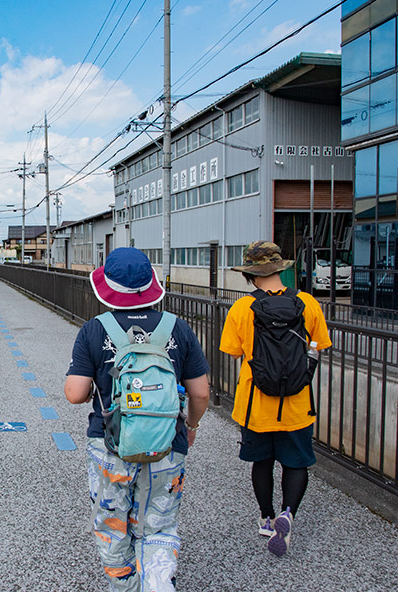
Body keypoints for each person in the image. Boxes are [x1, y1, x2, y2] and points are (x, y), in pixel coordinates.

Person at [64, 247, 210, 592]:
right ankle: (158, 581)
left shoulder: (95, 330)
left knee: (113, 522)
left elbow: (74, 392)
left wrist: (96, 388)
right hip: (167, 444)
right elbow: (201, 393)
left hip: (111, 445)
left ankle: (126, 585)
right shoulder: (178, 328)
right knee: (158, 522)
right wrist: (190, 427)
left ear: (107, 286)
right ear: (150, 284)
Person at [219, 241, 331, 557]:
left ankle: (267, 519)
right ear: (281, 269)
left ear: (250, 275)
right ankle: (288, 513)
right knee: (296, 463)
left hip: (256, 405)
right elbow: (317, 346)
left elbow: (233, 352)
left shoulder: (241, 309)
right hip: (297, 403)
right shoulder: (308, 304)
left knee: (262, 463)